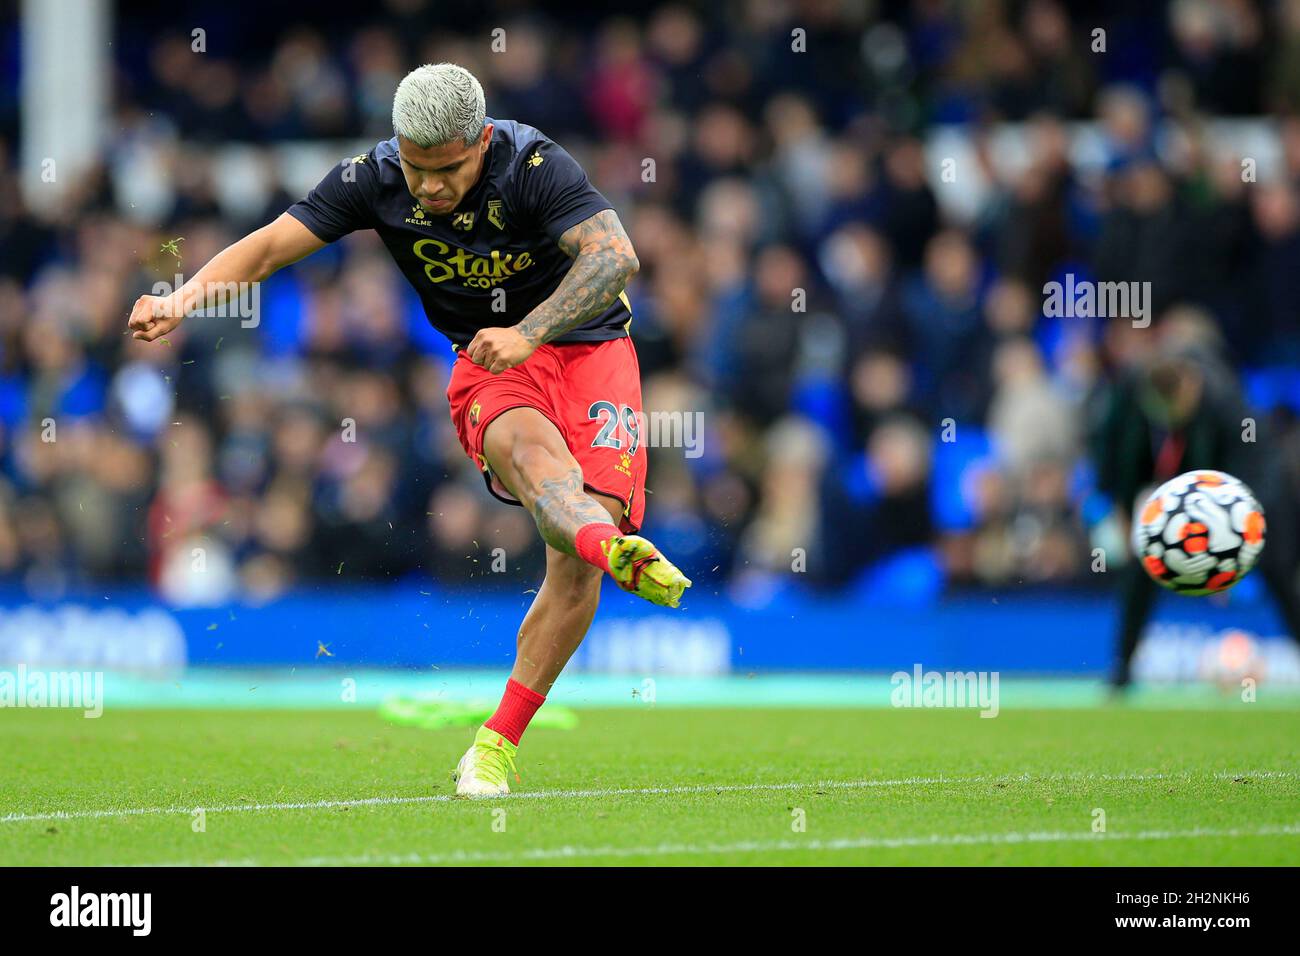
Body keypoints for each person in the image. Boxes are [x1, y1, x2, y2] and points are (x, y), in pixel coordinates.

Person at [126, 63, 691, 795]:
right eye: (416, 167)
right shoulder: (374, 177)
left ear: (482, 141)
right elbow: (268, 246)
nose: (428, 187)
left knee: (574, 571)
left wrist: (530, 328)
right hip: (492, 366)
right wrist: (186, 295)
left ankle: (499, 737)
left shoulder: (534, 164)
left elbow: (617, 256)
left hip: (590, 354)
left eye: (447, 169)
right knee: (540, 469)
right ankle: (609, 545)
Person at [1089, 343, 1300, 688]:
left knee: (1280, 576)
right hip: (1174, 494)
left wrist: (1232, 547)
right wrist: (1121, 512)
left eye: (1176, 412)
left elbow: (1260, 466)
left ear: (1191, 386)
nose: (1169, 420)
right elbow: (1117, 457)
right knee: (1142, 564)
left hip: (1238, 496)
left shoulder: (1225, 402)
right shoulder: (1132, 391)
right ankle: (1121, 669)